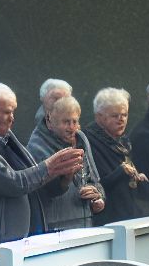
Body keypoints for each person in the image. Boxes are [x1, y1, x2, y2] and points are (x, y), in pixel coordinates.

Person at [0, 81, 83, 245]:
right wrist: (50, 166)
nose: (12, 118)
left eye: (13, 111)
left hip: (23, 239)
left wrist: (64, 179)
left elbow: (36, 184)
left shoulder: (6, 138)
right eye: (7, 112)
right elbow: (13, 182)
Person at [27, 96, 105, 231]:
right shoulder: (36, 146)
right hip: (54, 229)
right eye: (66, 122)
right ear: (50, 122)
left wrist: (98, 198)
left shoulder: (81, 138)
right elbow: (45, 191)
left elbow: (94, 180)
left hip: (86, 225)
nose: (71, 127)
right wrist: (65, 179)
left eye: (75, 121)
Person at [83, 87, 149, 223]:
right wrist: (121, 172)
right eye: (115, 116)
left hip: (128, 217)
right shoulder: (87, 142)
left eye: (125, 114)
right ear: (99, 117)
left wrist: (139, 178)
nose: (121, 120)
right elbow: (93, 184)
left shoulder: (123, 142)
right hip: (106, 221)